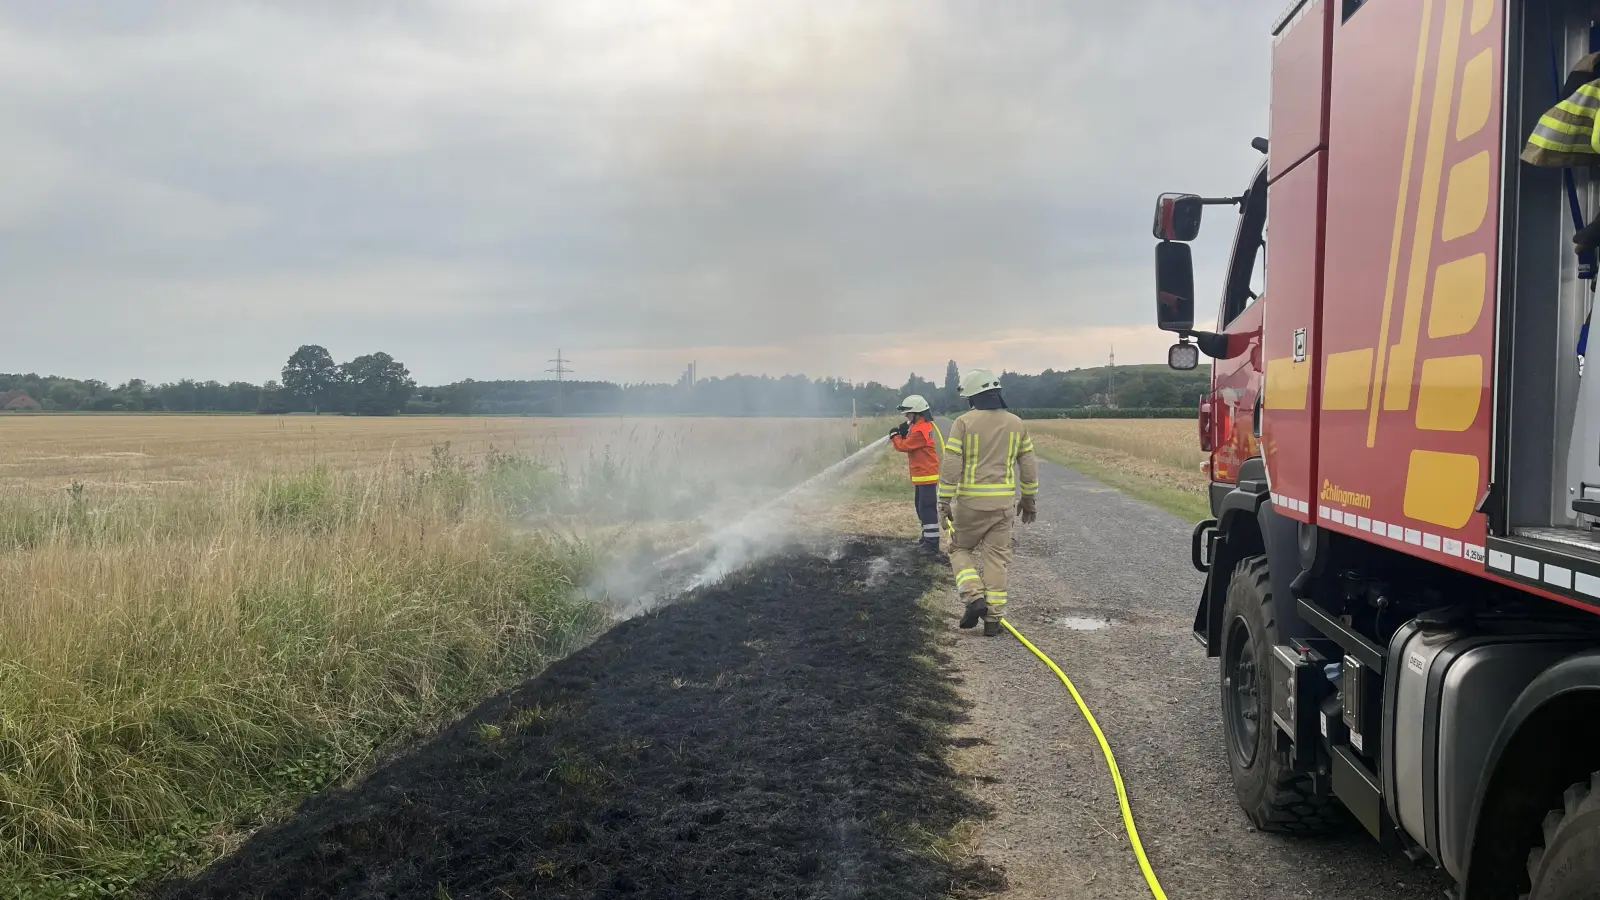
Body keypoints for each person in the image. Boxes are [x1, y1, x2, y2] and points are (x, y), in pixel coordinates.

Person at [937, 368, 1037, 636]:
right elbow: (1027, 464)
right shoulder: (1017, 423)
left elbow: (951, 463)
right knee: (996, 560)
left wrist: (944, 499)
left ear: (972, 397)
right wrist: (1028, 499)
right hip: (1003, 506)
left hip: (971, 504)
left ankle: (973, 597)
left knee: (958, 549)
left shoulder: (963, 423)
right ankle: (994, 621)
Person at [889, 394, 945, 552]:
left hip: (926, 474)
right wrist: (906, 430)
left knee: (926, 507)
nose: (906, 416)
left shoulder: (920, 430)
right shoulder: (920, 426)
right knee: (920, 507)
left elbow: (904, 446)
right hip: (923, 474)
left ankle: (932, 544)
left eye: (908, 413)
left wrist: (896, 436)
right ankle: (926, 537)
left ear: (917, 413)